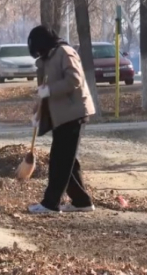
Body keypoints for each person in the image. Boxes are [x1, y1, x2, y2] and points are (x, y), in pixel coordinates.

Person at [27, 25, 96, 214]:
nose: (39, 54)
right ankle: (82, 201)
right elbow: (44, 88)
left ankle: (51, 203)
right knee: (68, 161)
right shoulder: (48, 57)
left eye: (39, 49)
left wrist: (50, 89)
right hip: (62, 115)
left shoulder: (65, 52)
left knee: (60, 161)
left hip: (74, 113)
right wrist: (37, 112)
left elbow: (74, 80)